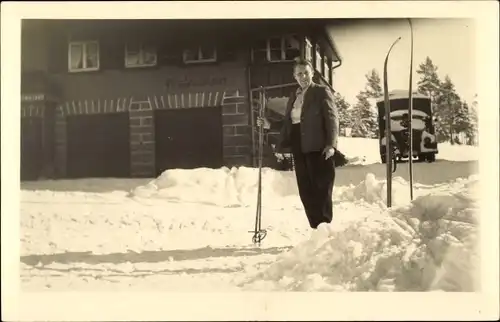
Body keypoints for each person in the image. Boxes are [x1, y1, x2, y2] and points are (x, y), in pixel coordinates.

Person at [257, 58, 345, 230]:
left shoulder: (321, 91)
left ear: (312, 73)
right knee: (306, 189)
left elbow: (332, 119)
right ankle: (315, 228)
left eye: (306, 72)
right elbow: (290, 122)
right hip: (299, 145)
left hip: (319, 146)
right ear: (294, 76)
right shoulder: (294, 96)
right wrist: (270, 125)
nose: (303, 76)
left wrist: (331, 145)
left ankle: (325, 227)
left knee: (322, 187)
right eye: (299, 74)